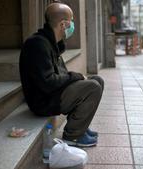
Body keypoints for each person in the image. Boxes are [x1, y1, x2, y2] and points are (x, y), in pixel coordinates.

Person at [19, 2, 104, 147]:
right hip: (43, 101)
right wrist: (76, 76)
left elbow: (61, 75)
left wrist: (75, 78)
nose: (73, 25)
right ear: (63, 24)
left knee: (97, 80)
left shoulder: (51, 43)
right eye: (71, 21)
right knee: (92, 87)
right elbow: (48, 82)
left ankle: (80, 127)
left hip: (53, 93)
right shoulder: (37, 45)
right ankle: (73, 136)